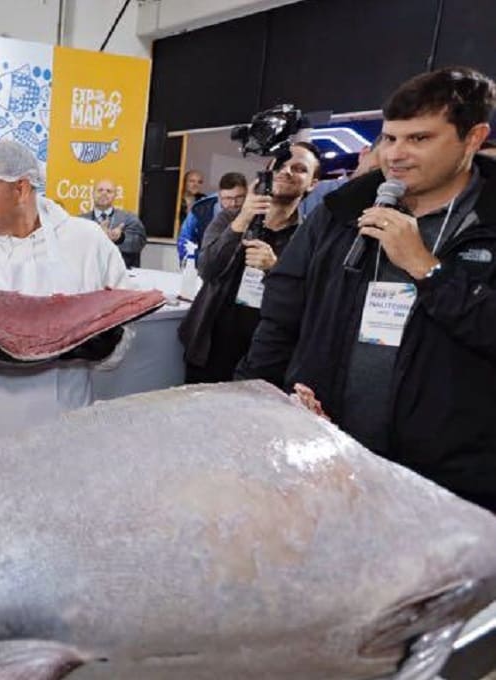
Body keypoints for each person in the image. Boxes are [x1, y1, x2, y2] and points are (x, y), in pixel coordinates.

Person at [237, 67, 496, 513]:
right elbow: (282, 314)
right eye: (389, 138)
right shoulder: (343, 209)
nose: (395, 154)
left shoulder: (486, 220)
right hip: (328, 455)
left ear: (472, 138)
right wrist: (254, 404)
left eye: (419, 139)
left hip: (447, 482)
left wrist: (428, 270)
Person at [0, 139, 130, 450]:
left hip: (64, 428)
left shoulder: (87, 241)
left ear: (21, 190)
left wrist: (104, 346)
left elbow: (126, 322)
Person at [177, 142, 321, 383]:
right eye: (281, 165)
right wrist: (243, 219)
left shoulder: (309, 236)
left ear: (313, 183)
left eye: (299, 168)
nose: (286, 172)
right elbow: (207, 269)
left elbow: (309, 301)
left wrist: (274, 269)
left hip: (265, 357)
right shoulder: (229, 218)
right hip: (210, 347)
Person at [298, 139, 383, 218]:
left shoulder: (388, 210)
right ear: (365, 153)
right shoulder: (313, 192)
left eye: (396, 161)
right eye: (382, 156)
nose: (387, 165)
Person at [176, 171, 248, 263]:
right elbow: (185, 240)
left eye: (239, 198)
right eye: (228, 198)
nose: (233, 204)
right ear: (219, 195)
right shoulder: (200, 209)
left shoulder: (256, 210)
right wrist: (194, 266)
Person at [79, 178, 148, 268]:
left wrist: (120, 238)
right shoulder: (80, 221)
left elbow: (138, 243)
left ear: (115, 195)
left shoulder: (129, 219)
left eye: (109, 191)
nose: (104, 193)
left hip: (122, 273)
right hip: (88, 273)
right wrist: (96, 237)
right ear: (92, 193)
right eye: (100, 190)